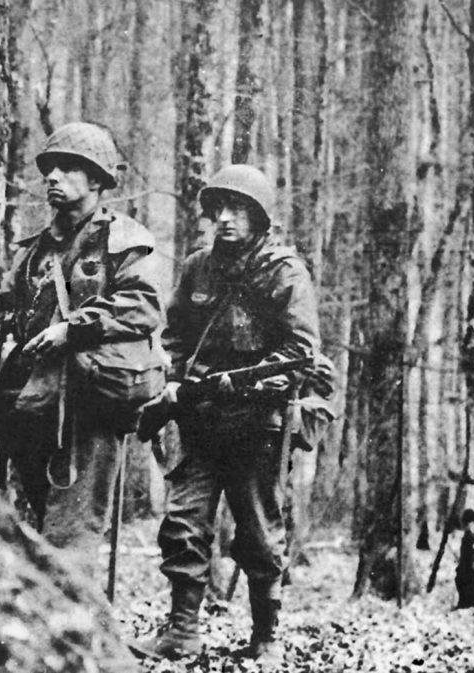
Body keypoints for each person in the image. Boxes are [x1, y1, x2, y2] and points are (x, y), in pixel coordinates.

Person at [131, 165, 323, 665]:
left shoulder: (285, 272)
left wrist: (256, 382)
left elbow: (302, 351)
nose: (225, 219)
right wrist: (170, 381)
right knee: (182, 524)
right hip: (199, 420)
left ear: (260, 219)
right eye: (218, 210)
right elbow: (174, 335)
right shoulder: (199, 267)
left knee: (258, 535)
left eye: (238, 209)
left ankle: (266, 637)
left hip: (257, 425)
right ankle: (182, 632)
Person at [0, 122, 165, 555]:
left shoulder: (123, 240)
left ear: (97, 179)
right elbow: (4, 308)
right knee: (40, 527)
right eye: (50, 170)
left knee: (72, 530)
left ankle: (77, 622)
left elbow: (143, 307)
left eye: (67, 168)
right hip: (34, 404)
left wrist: (73, 329)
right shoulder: (34, 250)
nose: (53, 178)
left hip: (90, 402)